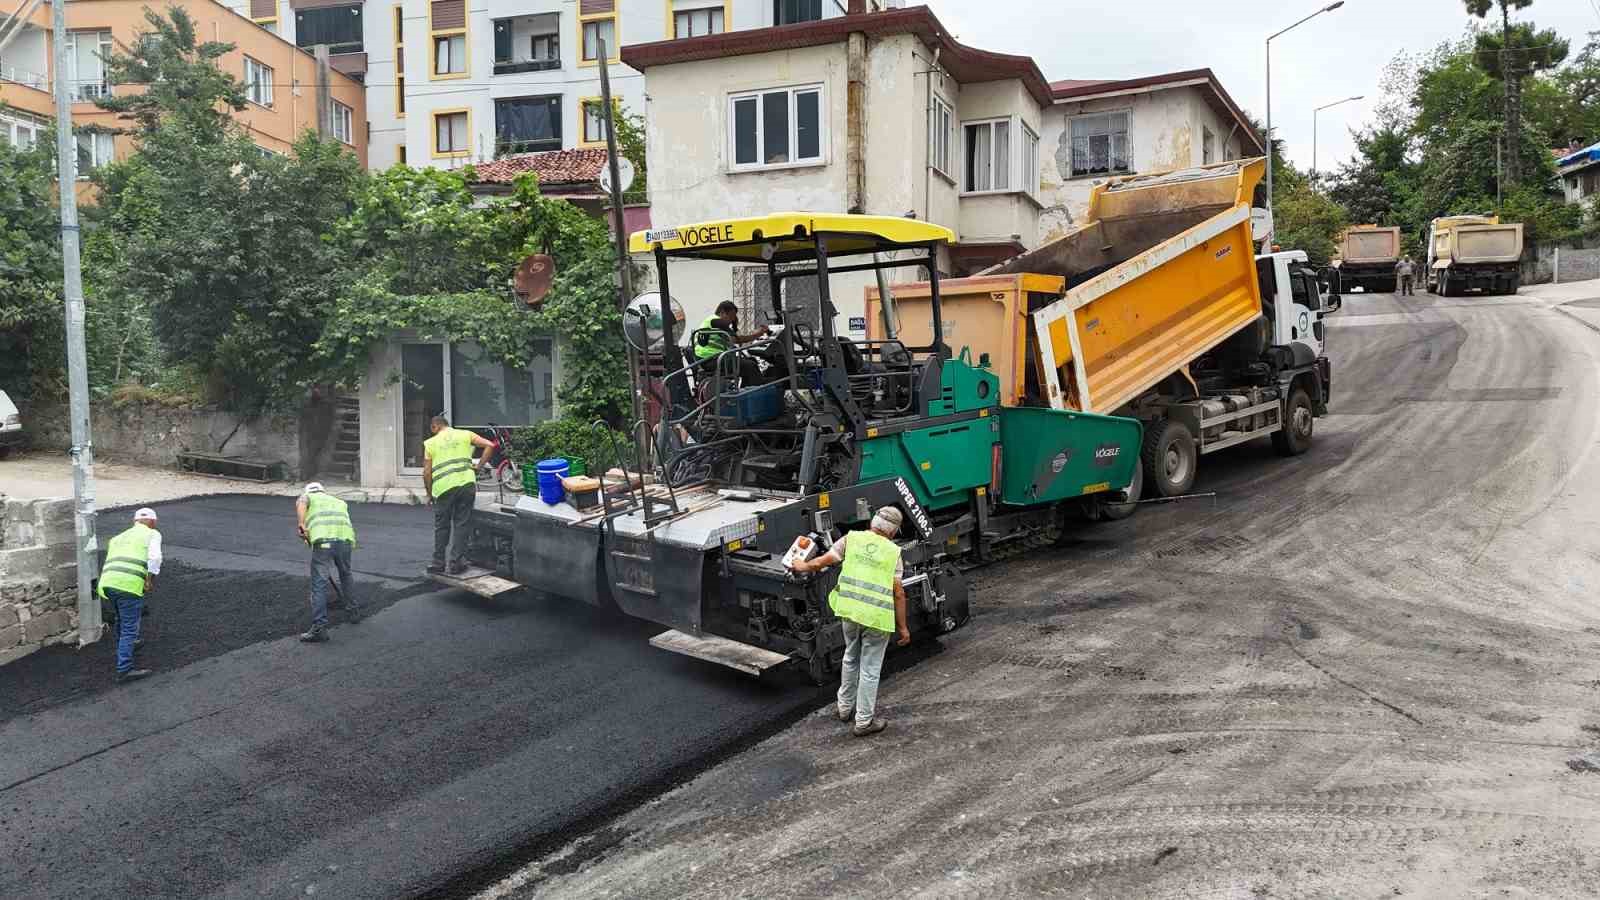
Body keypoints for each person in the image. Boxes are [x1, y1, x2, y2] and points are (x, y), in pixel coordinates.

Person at [788, 506, 911, 737]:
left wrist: (803, 565)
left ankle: (844, 709)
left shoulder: (851, 539)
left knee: (850, 657)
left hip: (850, 612)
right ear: (894, 532)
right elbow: (898, 593)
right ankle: (863, 721)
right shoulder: (893, 552)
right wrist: (903, 628)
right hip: (875, 619)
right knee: (870, 669)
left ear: (872, 523)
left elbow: (824, 560)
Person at [424, 415, 494, 575]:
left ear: (435, 427)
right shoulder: (465, 434)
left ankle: (438, 563)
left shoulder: (430, 443)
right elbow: (490, 445)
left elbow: (426, 472)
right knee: (462, 523)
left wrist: (429, 493)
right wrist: (479, 466)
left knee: (442, 526)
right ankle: (456, 563)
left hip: (444, 488)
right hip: (466, 485)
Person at [98, 507, 162, 683]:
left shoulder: (117, 538)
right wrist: (149, 580)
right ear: (152, 522)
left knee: (121, 618)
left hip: (108, 583)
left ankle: (126, 646)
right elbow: (155, 558)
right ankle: (124, 669)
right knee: (129, 627)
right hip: (128, 585)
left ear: (135, 521)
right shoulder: (152, 534)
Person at [296, 482, 362, 643]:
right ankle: (353, 612)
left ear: (308, 491)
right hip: (345, 541)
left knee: (319, 583)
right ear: (323, 491)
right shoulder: (338, 501)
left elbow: (302, 502)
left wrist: (301, 524)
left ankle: (319, 628)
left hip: (324, 542)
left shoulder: (307, 497)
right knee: (346, 574)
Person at [693, 301, 770, 386]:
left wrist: (735, 326)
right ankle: (759, 391)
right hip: (712, 360)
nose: (731, 321)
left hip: (708, 359)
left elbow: (734, 337)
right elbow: (735, 339)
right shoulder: (716, 321)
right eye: (730, 317)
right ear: (722, 312)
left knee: (751, 361)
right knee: (750, 366)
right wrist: (757, 334)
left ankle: (746, 389)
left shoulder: (710, 320)